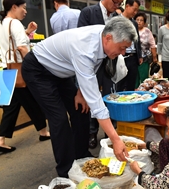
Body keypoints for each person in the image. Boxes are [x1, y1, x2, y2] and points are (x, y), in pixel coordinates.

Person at [21, 17, 137, 177]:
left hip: (62, 71)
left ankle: (81, 155)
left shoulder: (104, 36)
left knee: (82, 109)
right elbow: (97, 103)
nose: (123, 53)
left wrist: (82, 93)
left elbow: (92, 69)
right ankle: (66, 170)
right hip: (38, 69)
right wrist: (116, 139)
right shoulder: (85, 48)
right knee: (59, 119)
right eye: (122, 47)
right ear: (109, 38)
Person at [0, 0, 50, 154]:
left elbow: (12, 43)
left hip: (7, 69)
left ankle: (1, 140)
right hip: (19, 70)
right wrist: (34, 66)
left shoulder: (2, 23)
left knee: (11, 106)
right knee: (33, 101)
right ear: (14, 7)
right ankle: (43, 132)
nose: (25, 11)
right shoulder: (15, 23)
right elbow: (22, 48)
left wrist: (28, 31)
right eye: (23, 8)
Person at [77, 0, 127, 149]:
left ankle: (109, 133)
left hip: (109, 65)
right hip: (90, 64)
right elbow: (81, 39)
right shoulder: (88, 13)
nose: (117, 6)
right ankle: (92, 133)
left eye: (120, 3)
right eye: (115, 2)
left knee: (109, 97)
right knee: (92, 98)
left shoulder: (117, 18)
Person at [117, 0, 142, 91]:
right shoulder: (117, 20)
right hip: (121, 57)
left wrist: (139, 55)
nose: (135, 12)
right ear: (127, 6)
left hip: (133, 57)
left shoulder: (134, 23)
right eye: (134, 9)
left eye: (137, 10)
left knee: (131, 84)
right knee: (120, 84)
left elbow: (137, 40)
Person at [134, 11, 157, 88]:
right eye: (137, 20)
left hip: (144, 58)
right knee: (134, 78)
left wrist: (154, 57)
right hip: (133, 58)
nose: (139, 22)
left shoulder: (147, 31)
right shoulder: (132, 30)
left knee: (144, 78)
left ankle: (145, 94)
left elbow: (152, 44)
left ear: (144, 22)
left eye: (141, 20)